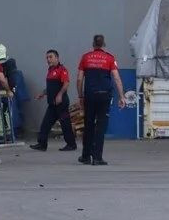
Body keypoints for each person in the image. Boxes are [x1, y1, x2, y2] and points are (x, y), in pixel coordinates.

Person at [76, 35, 125, 165]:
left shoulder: (85, 57)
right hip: (104, 96)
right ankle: (97, 157)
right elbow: (116, 78)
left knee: (89, 125)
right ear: (104, 45)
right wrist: (122, 97)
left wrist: (80, 96)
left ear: (93, 44)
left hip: (90, 96)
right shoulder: (110, 58)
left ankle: (86, 156)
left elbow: (80, 79)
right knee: (101, 126)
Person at [30, 49, 77, 152]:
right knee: (45, 124)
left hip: (61, 103)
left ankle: (71, 145)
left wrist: (60, 95)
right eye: (47, 57)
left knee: (65, 124)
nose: (48, 59)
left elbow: (66, 84)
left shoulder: (62, 69)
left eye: (50, 57)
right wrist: (42, 94)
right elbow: (50, 87)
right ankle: (42, 144)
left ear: (57, 58)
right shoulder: (50, 70)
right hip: (52, 104)